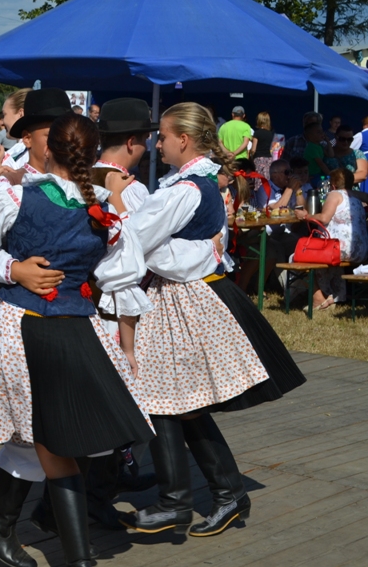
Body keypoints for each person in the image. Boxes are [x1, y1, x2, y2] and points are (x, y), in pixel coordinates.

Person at [0, 113, 154, 567]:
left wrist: (12, 268)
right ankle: (76, 559)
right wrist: (76, 276)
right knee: (56, 445)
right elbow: (125, 271)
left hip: (17, 325)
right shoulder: (105, 211)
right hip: (77, 326)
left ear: (48, 147)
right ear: (93, 155)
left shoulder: (16, 196)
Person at [114, 102, 305, 538]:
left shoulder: (185, 189)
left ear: (183, 139)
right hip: (184, 297)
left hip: (184, 300)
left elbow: (136, 243)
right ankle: (224, 494)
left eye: (162, 136)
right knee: (182, 404)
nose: (156, 143)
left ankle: (178, 500)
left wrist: (120, 215)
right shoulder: (198, 182)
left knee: (165, 399)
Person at [298, 167, 368, 310]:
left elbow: (324, 218)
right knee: (332, 262)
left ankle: (319, 298)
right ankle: (335, 296)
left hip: (339, 249)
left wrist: (305, 216)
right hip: (361, 250)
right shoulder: (356, 195)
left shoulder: (335, 194)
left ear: (333, 185)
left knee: (298, 257)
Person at [236, 159, 307, 293]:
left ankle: (299, 288)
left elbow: (303, 208)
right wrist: (291, 189)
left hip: (277, 231)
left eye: (291, 172)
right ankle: (288, 290)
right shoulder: (265, 188)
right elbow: (276, 210)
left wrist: (297, 191)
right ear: (274, 174)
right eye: (287, 172)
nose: (290, 176)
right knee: (274, 248)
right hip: (262, 233)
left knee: (300, 244)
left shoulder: (285, 189)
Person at [0, 89, 31, 169]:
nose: (2, 122)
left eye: (4, 114)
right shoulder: (21, 149)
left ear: (21, 114)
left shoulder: (29, 154)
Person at [251, 111, 276, 178]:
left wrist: (250, 156)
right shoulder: (271, 134)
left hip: (259, 159)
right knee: (267, 178)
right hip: (269, 159)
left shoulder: (257, 133)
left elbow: (253, 149)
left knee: (259, 178)